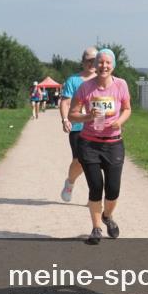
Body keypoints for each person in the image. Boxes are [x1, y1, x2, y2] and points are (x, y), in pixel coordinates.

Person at [68, 48, 132, 244]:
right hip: (89, 144)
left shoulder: (121, 85)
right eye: (100, 62)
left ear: (113, 65)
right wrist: (88, 117)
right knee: (95, 187)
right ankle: (96, 228)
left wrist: (119, 121)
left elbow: (128, 109)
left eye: (107, 62)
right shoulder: (85, 88)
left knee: (113, 190)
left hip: (113, 144)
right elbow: (72, 114)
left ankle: (107, 216)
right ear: (95, 65)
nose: (104, 66)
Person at [59, 47, 98, 202]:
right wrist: (65, 119)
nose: (92, 63)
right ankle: (70, 182)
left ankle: (93, 197)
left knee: (95, 163)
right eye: (88, 60)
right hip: (78, 127)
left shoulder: (103, 80)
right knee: (80, 161)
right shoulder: (73, 80)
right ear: (83, 62)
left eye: (95, 60)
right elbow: (65, 102)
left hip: (98, 128)